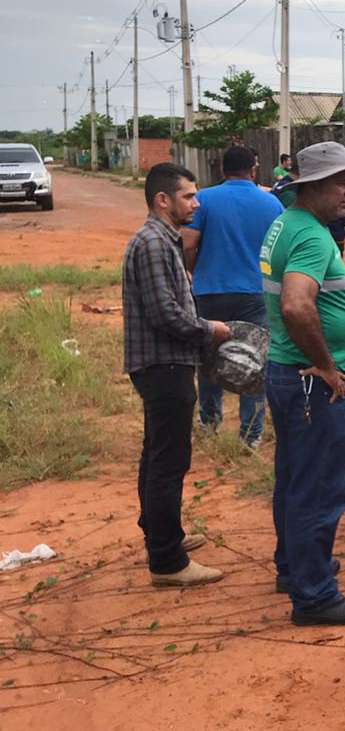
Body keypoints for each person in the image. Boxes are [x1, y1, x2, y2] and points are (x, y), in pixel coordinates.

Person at [259, 141, 345, 626]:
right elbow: (295, 304)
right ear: (312, 187)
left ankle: (295, 567)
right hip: (312, 382)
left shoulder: (287, 222)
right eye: (342, 183)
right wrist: (329, 367)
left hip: (287, 374)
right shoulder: (310, 236)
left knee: (293, 480)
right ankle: (314, 596)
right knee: (319, 490)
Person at [122, 163, 231, 588]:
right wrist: (211, 331)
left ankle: (163, 535)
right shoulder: (153, 243)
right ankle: (167, 562)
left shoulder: (162, 240)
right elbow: (165, 314)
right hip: (163, 364)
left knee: (157, 455)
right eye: (188, 196)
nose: (196, 203)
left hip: (166, 362)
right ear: (162, 199)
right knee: (169, 461)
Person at [182, 145, 283, 447]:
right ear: (254, 169)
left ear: (221, 170)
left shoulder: (205, 200)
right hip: (255, 293)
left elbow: (188, 244)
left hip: (210, 291)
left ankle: (209, 422)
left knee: (210, 356)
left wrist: (194, 270)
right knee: (254, 357)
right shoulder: (272, 203)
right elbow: (278, 250)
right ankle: (250, 434)